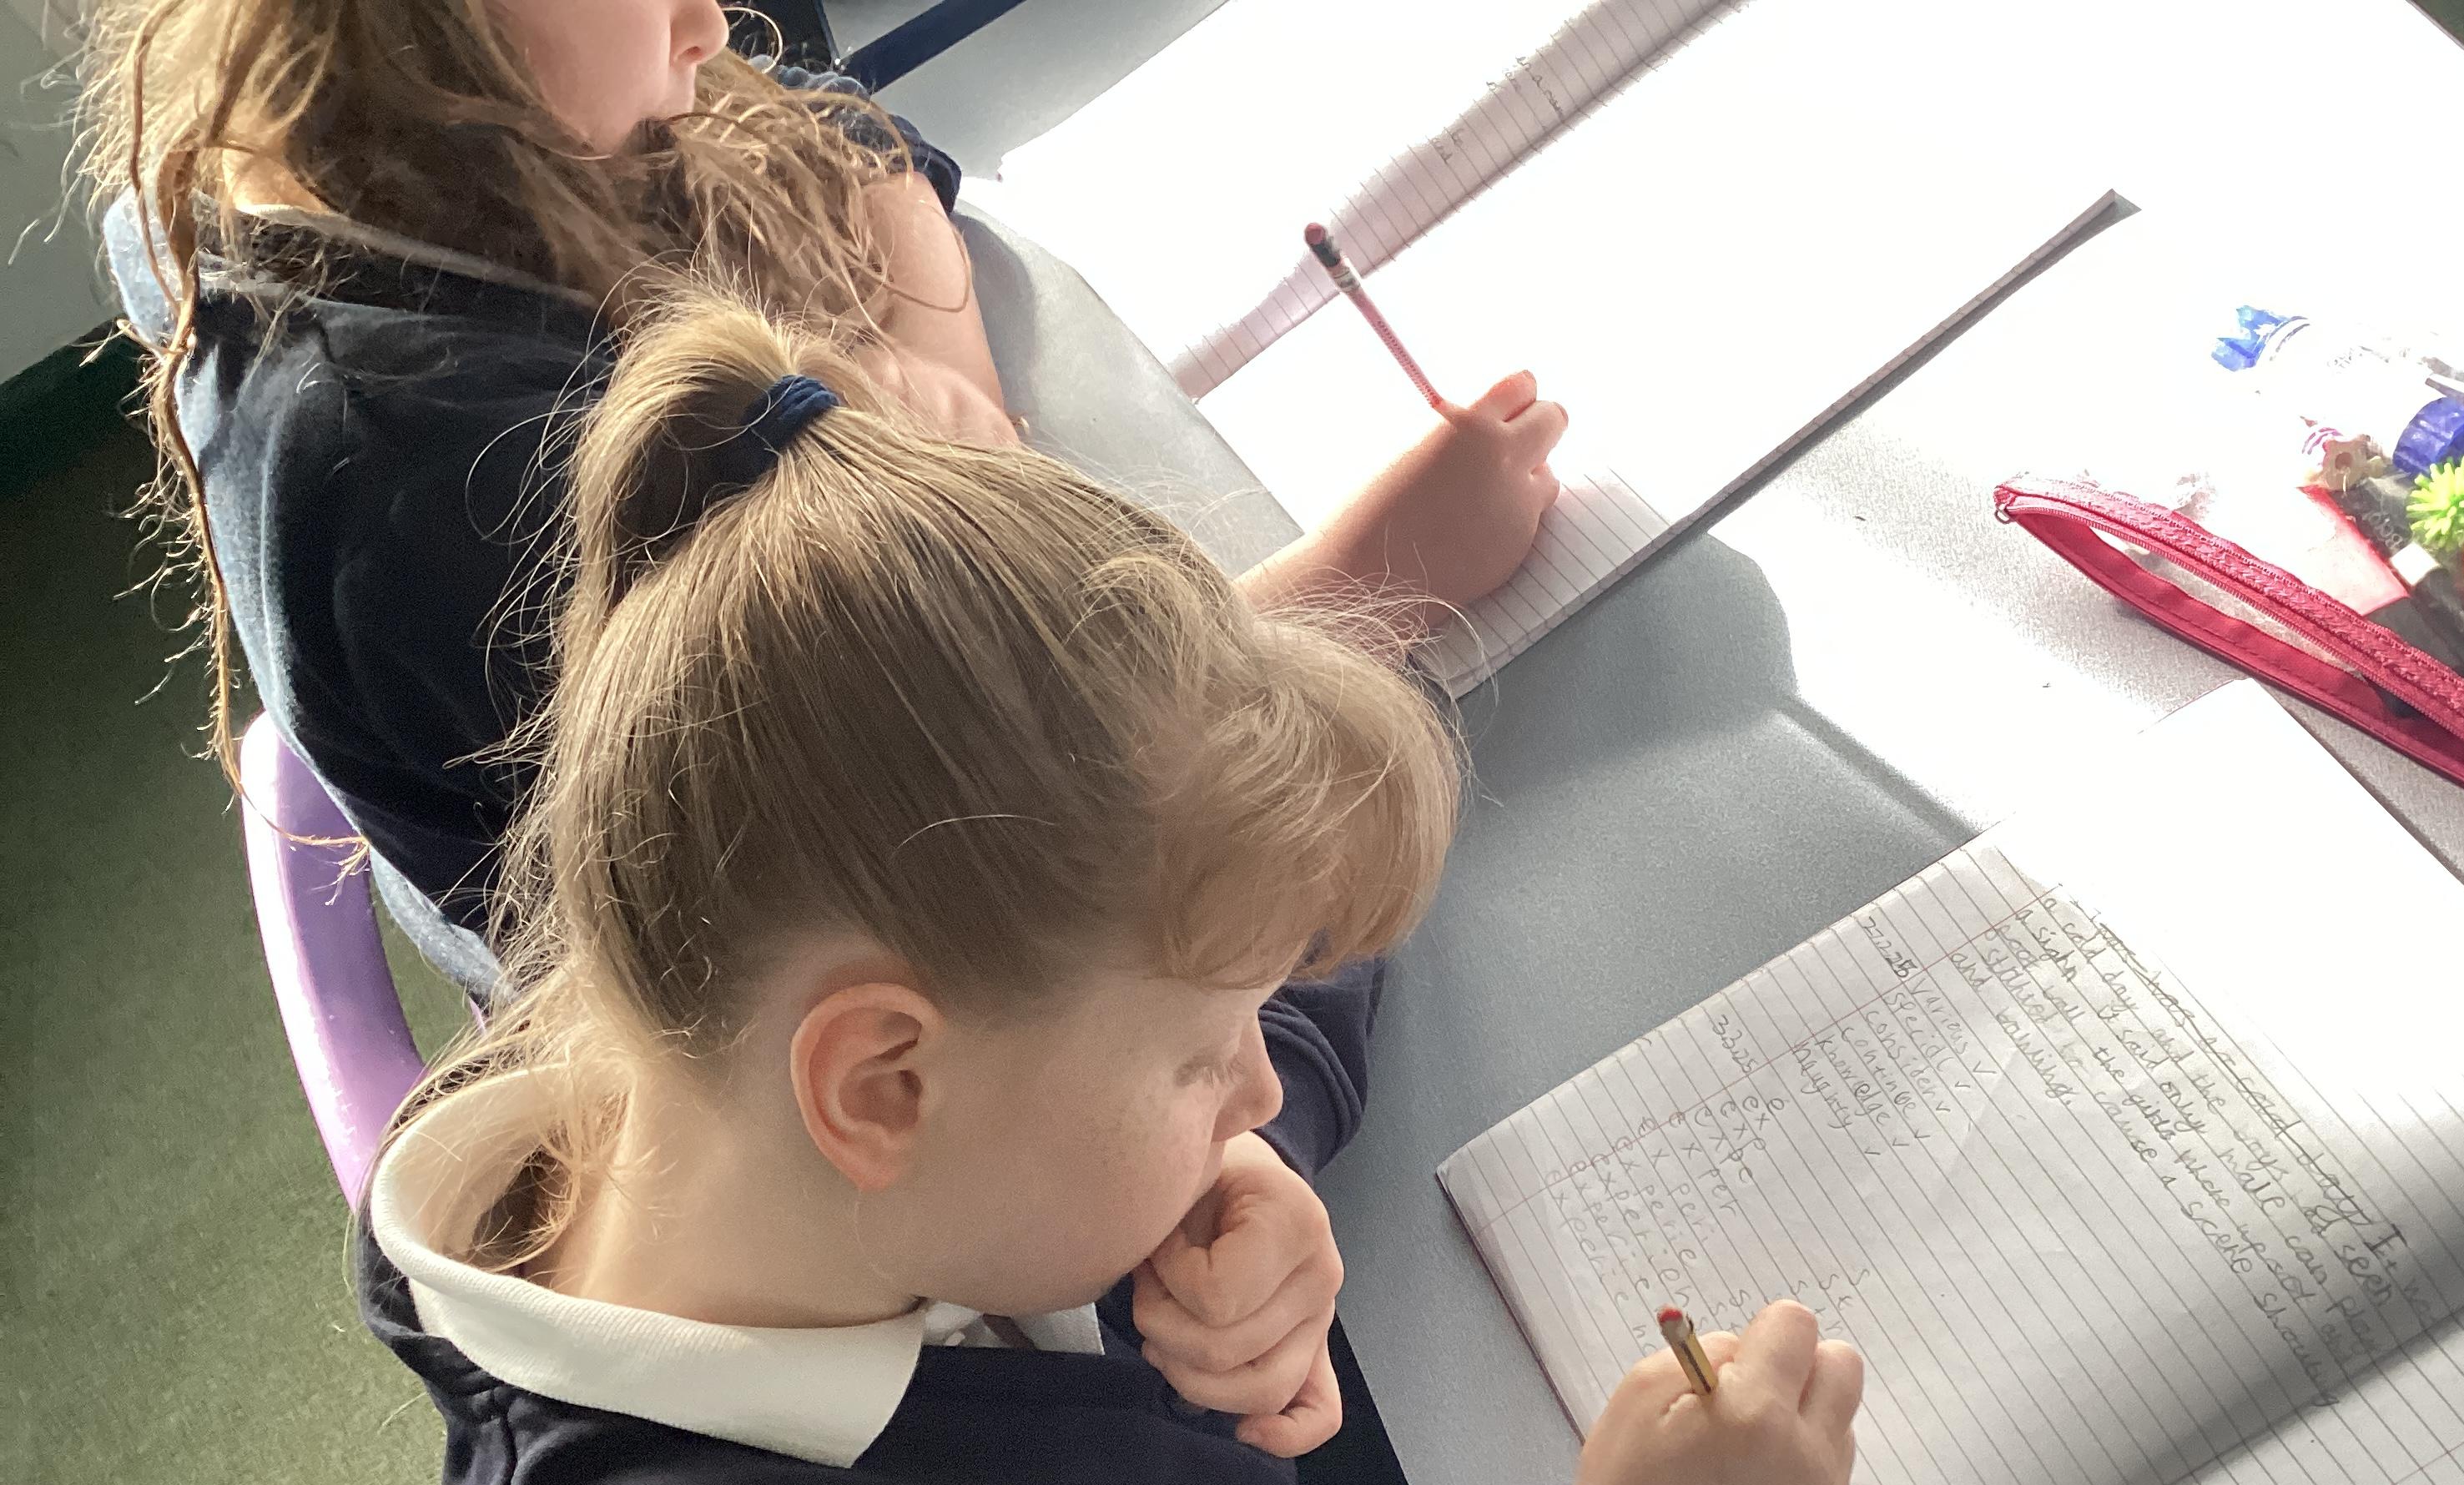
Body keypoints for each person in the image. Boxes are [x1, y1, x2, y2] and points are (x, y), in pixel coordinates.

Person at [356, 289, 1862, 1485]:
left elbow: (1208, 954)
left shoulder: (758, 1114)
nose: (1252, 1076)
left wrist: (1235, 1162)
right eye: (1199, 1057)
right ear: (883, 1086)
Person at [83, 0, 1570, 936]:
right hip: (806, 992)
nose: (708, 26)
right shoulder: (450, 481)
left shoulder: (395, 130)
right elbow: (989, 836)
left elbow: (852, 147)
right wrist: (1371, 582)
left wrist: (950, 406)